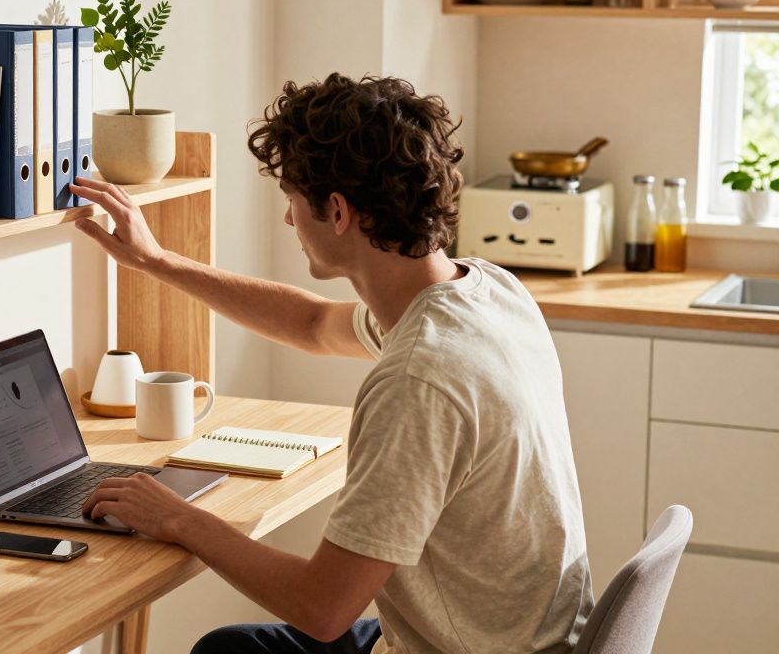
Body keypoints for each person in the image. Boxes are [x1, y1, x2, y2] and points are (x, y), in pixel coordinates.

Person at [76, 74, 593, 654]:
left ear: (339, 211)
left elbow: (322, 609)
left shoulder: (418, 380)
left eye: (292, 201)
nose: (291, 221)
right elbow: (313, 324)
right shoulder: (487, 292)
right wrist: (159, 261)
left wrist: (178, 519)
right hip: (529, 637)